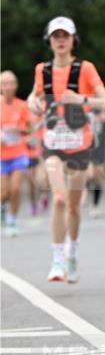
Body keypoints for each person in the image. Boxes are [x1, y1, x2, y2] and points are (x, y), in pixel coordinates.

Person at [27, 17, 105, 283]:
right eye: (56, 36)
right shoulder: (42, 70)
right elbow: (34, 95)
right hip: (53, 144)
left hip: (79, 144)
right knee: (60, 199)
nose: (61, 40)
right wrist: (32, 102)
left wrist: (80, 99)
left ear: (73, 39)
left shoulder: (85, 69)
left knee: (74, 207)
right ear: (49, 40)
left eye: (65, 36)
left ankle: (72, 250)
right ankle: (56, 259)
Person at [1, 71, 31, 236]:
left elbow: (29, 129)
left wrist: (17, 129)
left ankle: (12, 220)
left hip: (19, 153)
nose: (9, 87)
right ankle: (2, 207)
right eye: (5, 83)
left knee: (15, 188)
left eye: (11, 83)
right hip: (1, 155)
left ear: (16, 85)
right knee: (3, 192)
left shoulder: (22, 106)